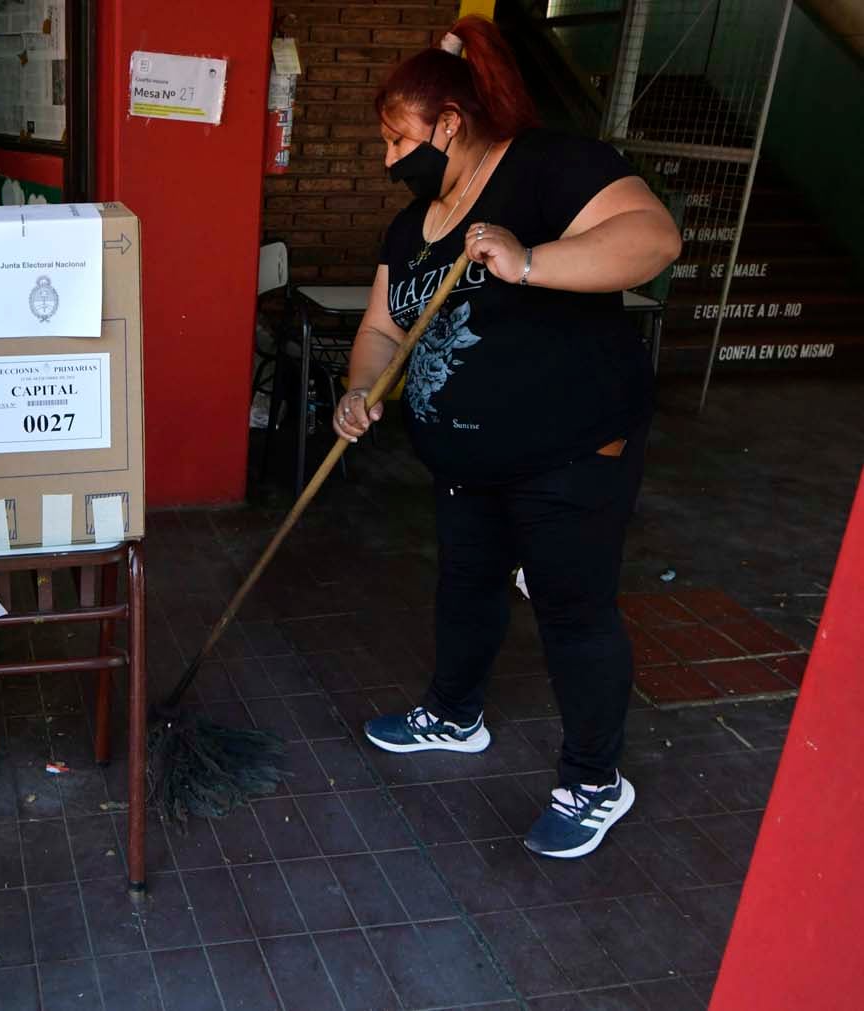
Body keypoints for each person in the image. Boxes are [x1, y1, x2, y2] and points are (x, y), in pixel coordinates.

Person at [334, 17, 681, 859]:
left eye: (397, 139)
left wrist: (528, 261)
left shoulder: (549, 165)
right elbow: (384, 328)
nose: (389, 159)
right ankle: (454, 716)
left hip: (571, 448)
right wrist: (359, 387)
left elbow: (653, 239)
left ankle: (596, 779)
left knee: (571, 608)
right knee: (468, 584)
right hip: (466, 462)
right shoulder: (411, 224)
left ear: (449, 124)